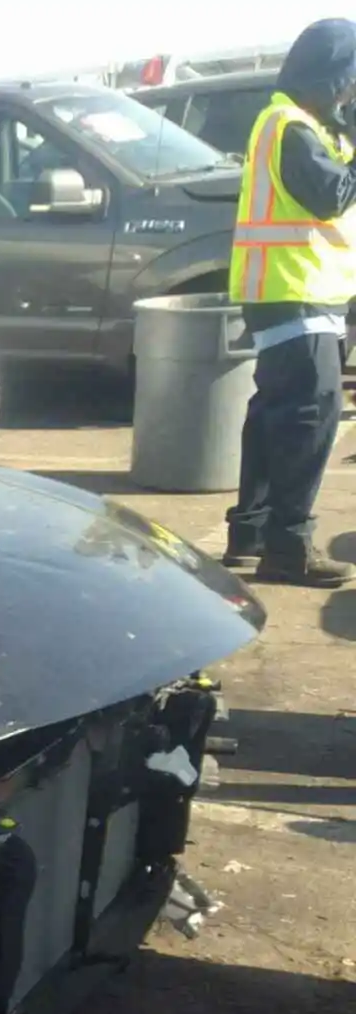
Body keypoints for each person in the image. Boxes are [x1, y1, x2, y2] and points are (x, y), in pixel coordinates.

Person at [226, 17, 356, 588]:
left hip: (290, 294)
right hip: (296, 294)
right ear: (328, 79)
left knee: (275, 417)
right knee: (309, 418)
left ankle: (250, 536)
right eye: (347, 82)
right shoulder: (290, 126)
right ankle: (290, 546)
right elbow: (330, 195)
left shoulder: (299, 123)